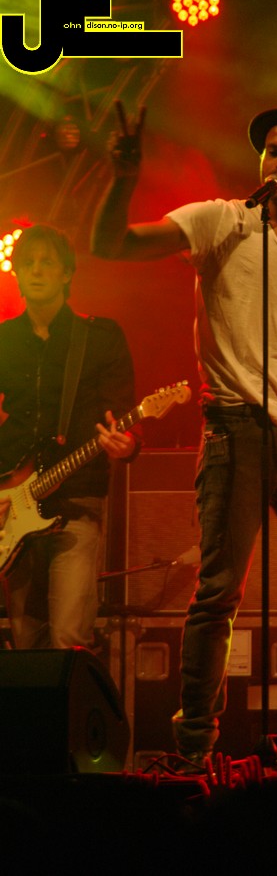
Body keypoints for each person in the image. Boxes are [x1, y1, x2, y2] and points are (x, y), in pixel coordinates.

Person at [91, 95, 277, 763]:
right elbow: (111, 244)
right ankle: (196, 745)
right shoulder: (220, 222)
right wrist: (123, 178)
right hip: (235, 429)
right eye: (272, 150)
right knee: (217, 593)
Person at [0, 224, 139, 650]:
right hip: (12, 506)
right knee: (24, 640)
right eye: (28, 263)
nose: (36, 270)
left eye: (47, 262)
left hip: (76, 500)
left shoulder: (99, 337)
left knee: (68, 638)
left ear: (66, 273)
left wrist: (127, 444)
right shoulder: (4, 339)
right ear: (16, 273)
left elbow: (122, 420)